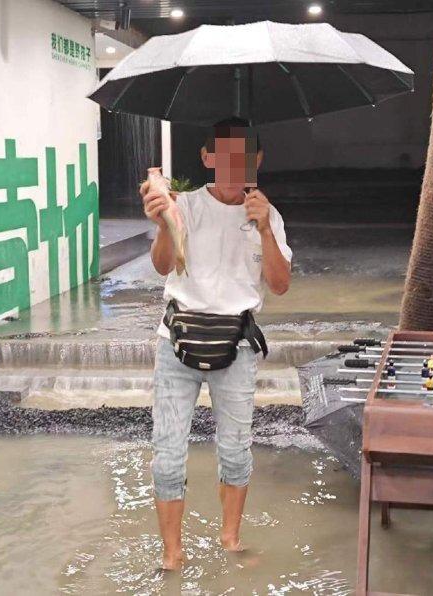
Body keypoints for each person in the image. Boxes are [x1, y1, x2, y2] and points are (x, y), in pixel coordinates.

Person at [140, 117, 292, 570]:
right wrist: (165, 223)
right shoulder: (182, 205)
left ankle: (230, 539)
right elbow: (164, 267)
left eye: (243, 154)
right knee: (166, 455)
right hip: (177, 343)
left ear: (257, 161)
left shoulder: (267, 214)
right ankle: (172, 552)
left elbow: (280, 285)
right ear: (207, 158)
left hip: (237, 347)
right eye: (222, 154)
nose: (232, 164)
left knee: (235, 450)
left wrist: (264, 229)